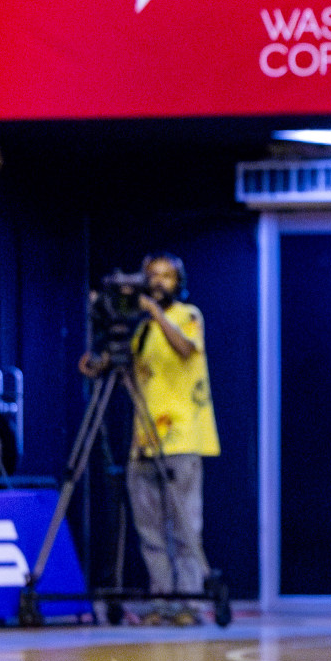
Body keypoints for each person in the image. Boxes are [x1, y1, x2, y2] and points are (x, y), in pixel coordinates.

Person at [80, 252, 219, 626]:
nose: (158, 283)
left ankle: (188, 602)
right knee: (151, 531)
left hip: (182, 437)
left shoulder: (187, 316)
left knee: (186, 527)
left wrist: (154, 313)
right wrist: (97, 362)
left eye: (166, 277)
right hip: (144, 439)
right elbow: (112, 362)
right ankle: (162, 599)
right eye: (151, 276)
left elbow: (185, 349)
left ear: (178, 282)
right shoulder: (139, 329)